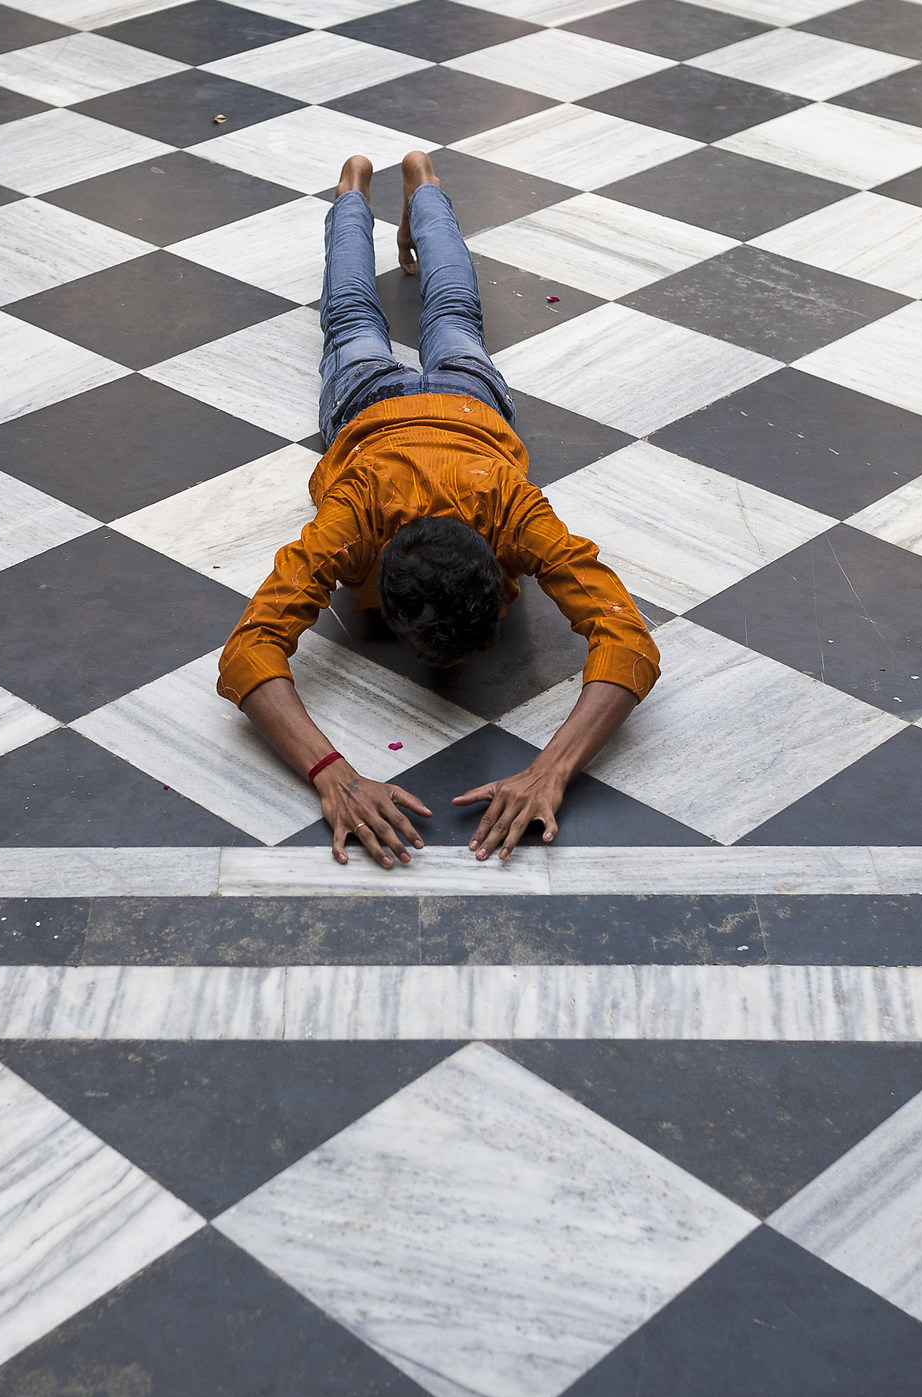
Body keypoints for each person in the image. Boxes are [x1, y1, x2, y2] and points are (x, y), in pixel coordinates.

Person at [215, 151, 660, 870]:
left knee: (414, 308)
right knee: (390, 310)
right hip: (406, 402)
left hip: (445, 403)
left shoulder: (374, 513)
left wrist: (333, 769)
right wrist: (333, 773)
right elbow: (625, 639)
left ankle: (370, 187)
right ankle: (406, 184)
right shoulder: (502, 507)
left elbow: (253, 647)